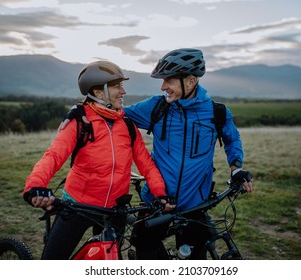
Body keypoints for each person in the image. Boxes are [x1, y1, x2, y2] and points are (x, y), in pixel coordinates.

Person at [60, 48, 253, 259]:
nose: (163, 87)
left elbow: (232, 139)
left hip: (195, 204)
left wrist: (237, 168)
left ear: (190, 81)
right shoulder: (156, 107)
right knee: (145, 251)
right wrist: (80, 109)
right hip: (156, 202)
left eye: (168, 80)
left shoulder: (217, 113)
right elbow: (114, 112)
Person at [23, 60, 172, 260]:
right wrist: (35, 185)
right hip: (77, 206)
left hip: (114, 211)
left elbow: (147, 164)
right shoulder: (80, 122)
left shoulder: (127, 126)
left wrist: (160, 193)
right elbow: (53, 156)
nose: (123, 91)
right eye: (117, 86)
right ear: (99, 93)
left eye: (122, 86)